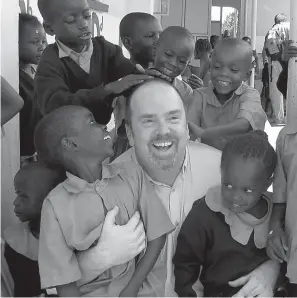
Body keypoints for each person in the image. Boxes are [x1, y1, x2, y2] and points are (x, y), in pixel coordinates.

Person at [110, 79, 280, 297]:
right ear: (130, 133)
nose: (163, 131)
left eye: (173, 118)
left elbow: (276, 224)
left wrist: (272, 269)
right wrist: (95, 259)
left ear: (187, 127)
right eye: (148, 121)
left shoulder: (224, 172)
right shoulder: (108, 186)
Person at [35, 106, 174, 297]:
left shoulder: (132, 173)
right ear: (70, 144)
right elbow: (63, 281)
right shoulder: (55, 205)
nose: (103, 126)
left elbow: (158, 236)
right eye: (91, 121)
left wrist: (131, 290)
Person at [174, 131, 279, 297]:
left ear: (268, 183)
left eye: (247, 190)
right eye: (228, 185)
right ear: (221, 172)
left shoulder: (278, 217)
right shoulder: (205, 214)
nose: (236, 197)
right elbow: (186, 265)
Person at [35, 0, 153, 125]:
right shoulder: (50, 61)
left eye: (87, 16)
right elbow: (54, 106)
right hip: (67, 137)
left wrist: (149, 77)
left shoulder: (105, 49)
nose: (84, 24)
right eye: (71, 20)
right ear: (49, 28)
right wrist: (107, 90)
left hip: (98, 132)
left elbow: (129, 77)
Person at [111, 26, 197, 161]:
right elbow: (120, 117)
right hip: (128, 151)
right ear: (155, 50)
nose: (173, 63)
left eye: (182, 61)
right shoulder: (133, 81)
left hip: (165, 151)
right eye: (168, 55)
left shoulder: (185, 92)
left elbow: (185, 128)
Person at [187, 38, 266, 151]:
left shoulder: (249, 94)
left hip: (240, 163)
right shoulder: (199, 96)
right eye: (217, 67)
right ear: (210, 67)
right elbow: (190, 130)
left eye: (233, 70)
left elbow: (244, 124)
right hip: (208, 160)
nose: (223, 73)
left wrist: (205, 133)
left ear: (246, 75)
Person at [3, 163, 65, 297]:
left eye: (23, 197)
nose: (15, 202)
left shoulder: (77, 240)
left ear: (51, 199)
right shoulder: (14, 241)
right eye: (17, 194)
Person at [112, 12, 163, 161]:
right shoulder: (120, 78)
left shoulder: (166, 75)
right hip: (128, 148)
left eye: (160, 35)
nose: (158, 41)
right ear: (128, 43)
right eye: (150, 36)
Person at [18, 13, 47, 164]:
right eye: (35, 42)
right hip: (21, 155)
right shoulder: (15, 79)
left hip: (40, 151)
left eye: (43, 41)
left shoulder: (38, 72)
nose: (42, 46)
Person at [264, 13, 290, 124]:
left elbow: (270, 45)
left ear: (276, 21)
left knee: (276, 90)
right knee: (291, 89)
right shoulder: (292, 27)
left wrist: (277, 56)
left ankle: (279, 118)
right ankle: (291, 117)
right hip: (293, 62)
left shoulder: (274, 29)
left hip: (277, 62)